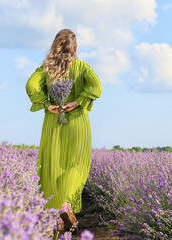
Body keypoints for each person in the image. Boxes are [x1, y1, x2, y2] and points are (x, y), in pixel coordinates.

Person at [25, 29, 102, 232]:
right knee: (76, 164)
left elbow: (31, 85)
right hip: (78, 123)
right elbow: (97, 87)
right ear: (75, 47)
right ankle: (66, 204)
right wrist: (78, 101)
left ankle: (55, 219)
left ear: (55, 46)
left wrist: (46, 104)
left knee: (52, 167)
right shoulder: (82, 67)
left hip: (53, 122)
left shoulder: (46, 68)